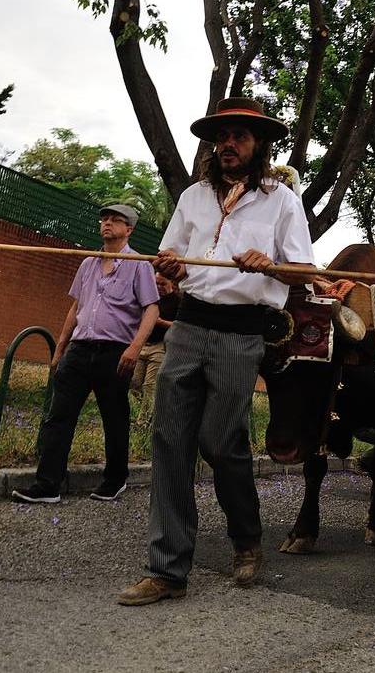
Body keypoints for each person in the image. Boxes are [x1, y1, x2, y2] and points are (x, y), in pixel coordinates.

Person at [118, 98, 315, 607]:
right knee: (169, 441)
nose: (229, 144)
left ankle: (247, 539)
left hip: (241, 332)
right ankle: (166, 570)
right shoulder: (193, 197)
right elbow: (172, 263)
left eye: (240, 136)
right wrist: (172, 271)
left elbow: (304, 272)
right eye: (222, 136)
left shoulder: (281, 201)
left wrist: (268, 264)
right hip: (188, 324)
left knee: (220, 441)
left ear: (258, 146)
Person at [12, 204, 159, 504]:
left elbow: (152, 309)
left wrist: (134, 348)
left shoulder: (139, 264)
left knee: (114, 418)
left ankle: (115, 479)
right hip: (79, 351)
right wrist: (61, 348)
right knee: (59, 416)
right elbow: (75, 308)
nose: (107, 224)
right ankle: (48, 485)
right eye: (104, 219)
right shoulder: (88, 263)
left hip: (115, 352)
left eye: (115, 220)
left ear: (128, 229)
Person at [130, 273, 180, 426]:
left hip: (160, 345)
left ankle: (143, 422)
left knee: (150, 384)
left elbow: (179, 326)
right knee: (134, 382)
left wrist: (159, 322)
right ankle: (146, 410)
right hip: (143, 343)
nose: (158, 287)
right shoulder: (149, 298)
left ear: (171, 283)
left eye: (162, 284)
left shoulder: (178, 301)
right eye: (156, 283)